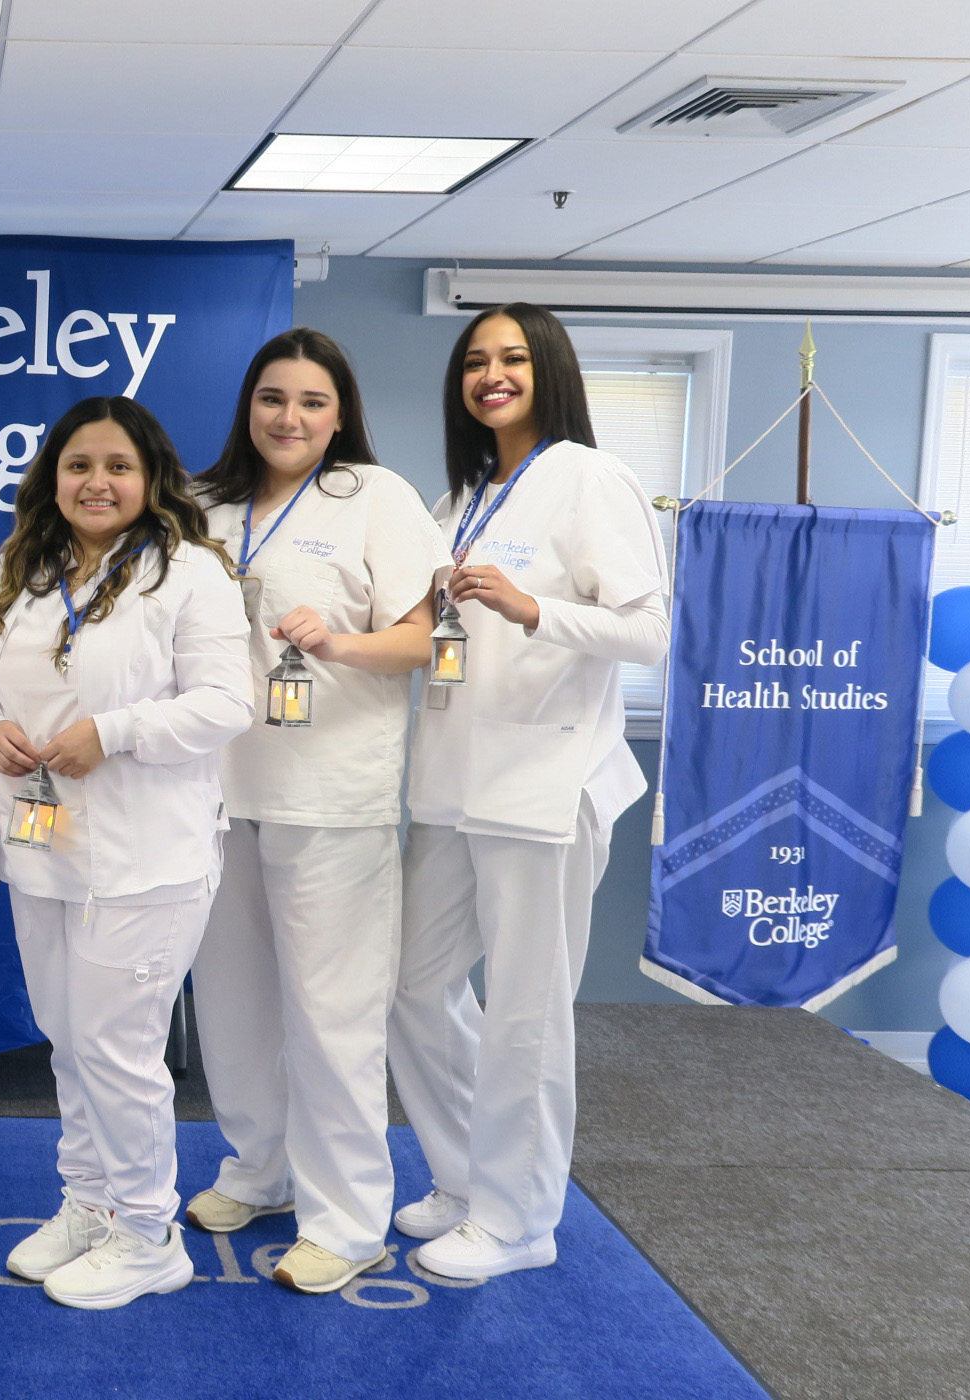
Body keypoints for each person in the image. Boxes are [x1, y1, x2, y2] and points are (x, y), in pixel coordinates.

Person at [0, 398, 254, 1309]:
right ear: (52, 477)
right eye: (78, 464)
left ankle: (149, 1232)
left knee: (120, 1049)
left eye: (117, 466)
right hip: (40, 846)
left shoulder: (191, 573)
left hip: (145, 855)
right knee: (68, 1040)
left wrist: (113, 732)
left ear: (150, 476)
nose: (97, 482)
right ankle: (89, 1203)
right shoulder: (19, 567)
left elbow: (226, 705)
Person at [390, 302, 670, 1282]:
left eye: (511, 357)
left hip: (544, 783)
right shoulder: (462, 494)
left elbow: (648, 630)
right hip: (450, 781)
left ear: (548, 369)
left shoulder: (591, 477)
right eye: (475, 361)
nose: (491, 374)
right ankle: (469, 1175)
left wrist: (532, 607)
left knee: (526, 1011)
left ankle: (518, 1217)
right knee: (412, 988)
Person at [180, 329, 448, 1294]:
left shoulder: (378, 498)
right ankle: (260, 1169)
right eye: (272, 399)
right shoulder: (202, 507)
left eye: (311, 402)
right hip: (213, 791)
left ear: (341, 416)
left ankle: (347, 1217)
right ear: (247, 407)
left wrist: (337, 645)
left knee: (333, 1015)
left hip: (333, 794)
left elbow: (426, 638)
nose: (289, 419)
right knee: (235, 1003)